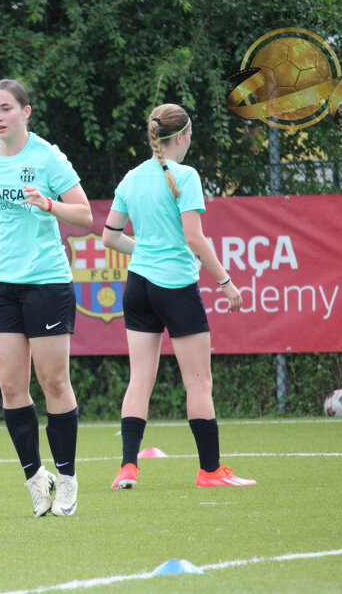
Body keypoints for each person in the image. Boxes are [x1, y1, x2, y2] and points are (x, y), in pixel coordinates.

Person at [101, 103, 256, 489]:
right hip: (175, 288)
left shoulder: (132, 178)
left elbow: (110, 237)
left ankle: (127, 467)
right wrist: (226, 282)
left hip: (138, 287)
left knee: (139, 379)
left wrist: (147, 249)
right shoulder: (185, 175)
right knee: (199, 382)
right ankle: (211, 471)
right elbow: (194, 238)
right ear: (183, 135)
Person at [0, 79, 93, 517]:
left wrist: (49, 204)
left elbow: (86, 215)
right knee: (10, 386)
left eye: (6, 108)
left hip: (46, 280)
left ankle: (68, 479)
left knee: (54, 383)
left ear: (25, 112)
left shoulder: (48, 157)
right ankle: (37, 479)